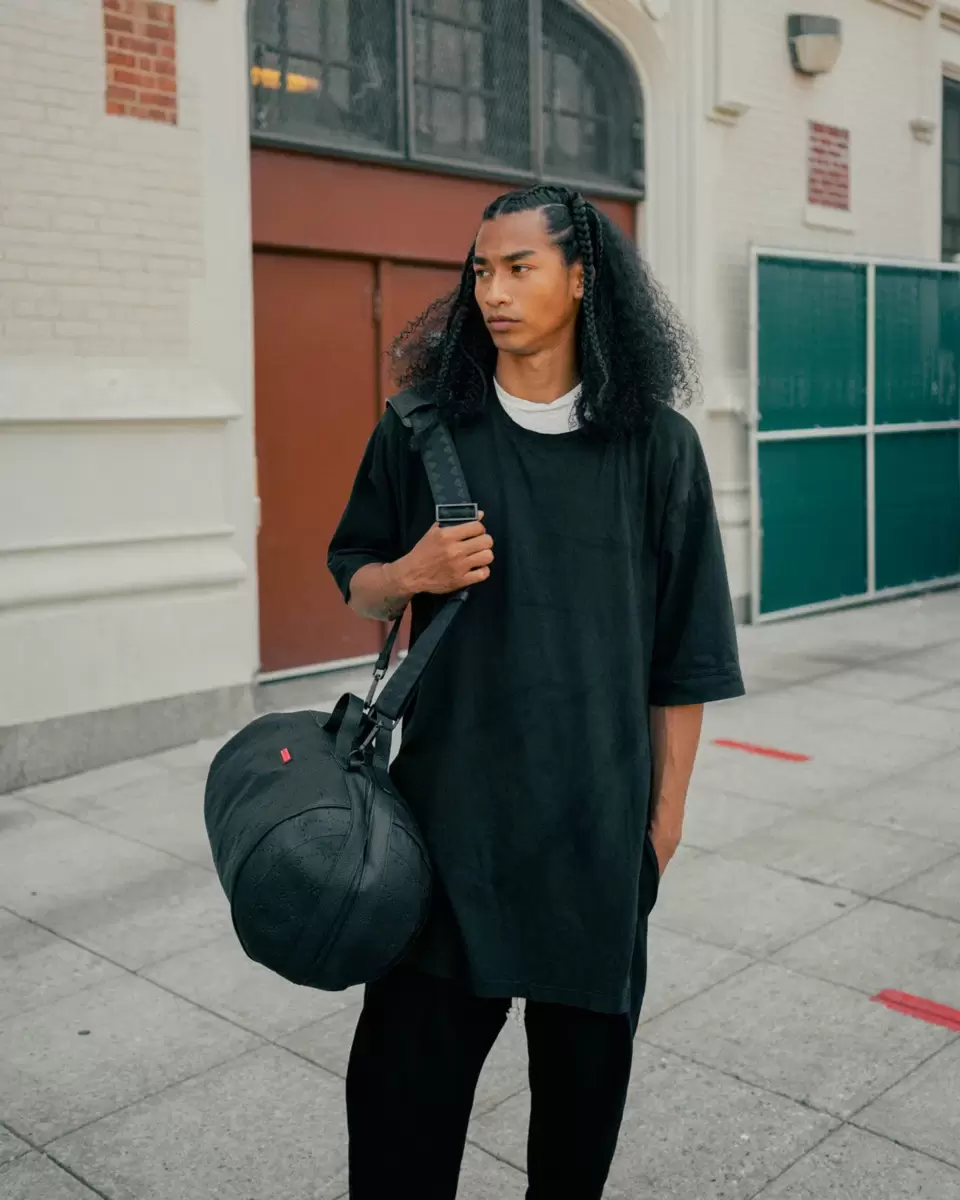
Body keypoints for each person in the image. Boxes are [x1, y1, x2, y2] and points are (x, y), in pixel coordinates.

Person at [328, 184, 744, 1199]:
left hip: (593, 835)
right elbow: (358, 580)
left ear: (582, 279)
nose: (494, 292)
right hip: (447, 826)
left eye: (520, 267)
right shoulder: (422, 427)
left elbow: (684, 659)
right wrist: (411, 571)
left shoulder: (658, 448)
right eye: (482, 270)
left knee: (575, 1132)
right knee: (398, 1121)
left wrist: (663, 824)